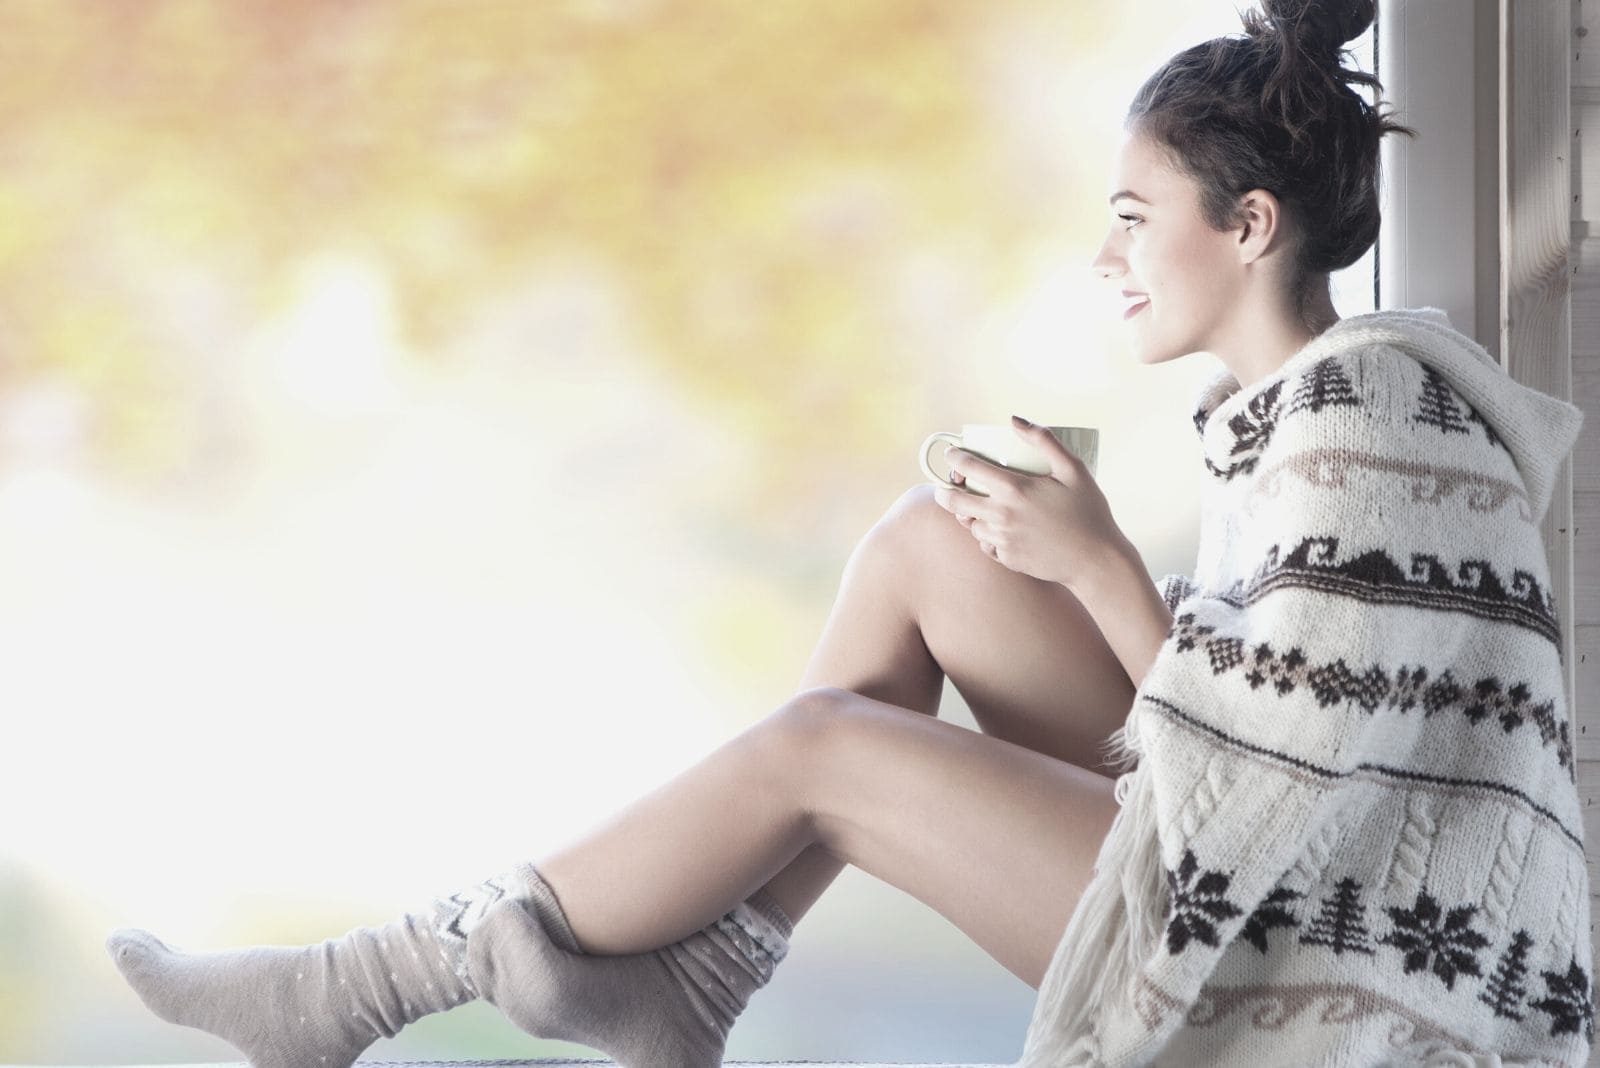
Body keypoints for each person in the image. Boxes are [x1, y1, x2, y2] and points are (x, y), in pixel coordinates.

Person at [106, 0, 1592, 1065]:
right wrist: (1069, 560)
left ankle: (349, 997)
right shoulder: (1308, 410)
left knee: (829, 749)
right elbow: (1285, 732)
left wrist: (1095, 566)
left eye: (1137, 216)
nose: (1108, 254)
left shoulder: (1377, 421)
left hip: (1341, 955)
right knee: (924, 548)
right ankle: (705, 976)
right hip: (1270, 855)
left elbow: (1309, 780)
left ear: (1251, 226)